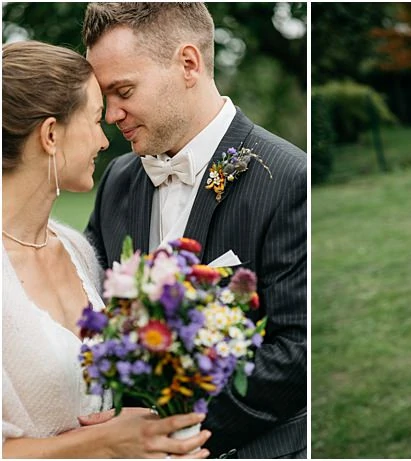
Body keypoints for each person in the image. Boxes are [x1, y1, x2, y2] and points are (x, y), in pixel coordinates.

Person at [81, 3, 307, 458]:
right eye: (104, 96)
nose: (110, 114)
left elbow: (296, 353)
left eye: (123, 90)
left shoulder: (287, 178)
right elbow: (95, 313)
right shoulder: (117, 181)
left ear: (188, 64)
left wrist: (170, 430)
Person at [2, 40, 210, 459]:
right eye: (96, 119)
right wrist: (108, 442)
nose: (104, 138)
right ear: (50, 134)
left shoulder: (78, 250)